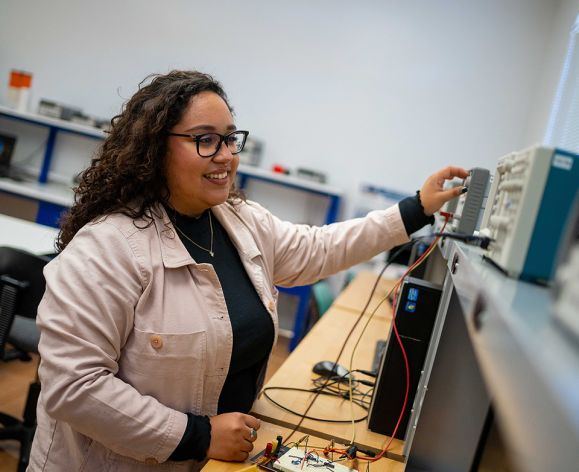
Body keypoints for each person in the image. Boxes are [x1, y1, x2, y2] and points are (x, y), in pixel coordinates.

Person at [28, 70, 468, 471]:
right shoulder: (107, 248)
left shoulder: (238, 221)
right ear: (154, 149)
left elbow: (319, 248)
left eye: (229, 138)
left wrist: (415, 210)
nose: (225, 156)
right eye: (205, 140)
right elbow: (75, 387)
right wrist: (198, 436)